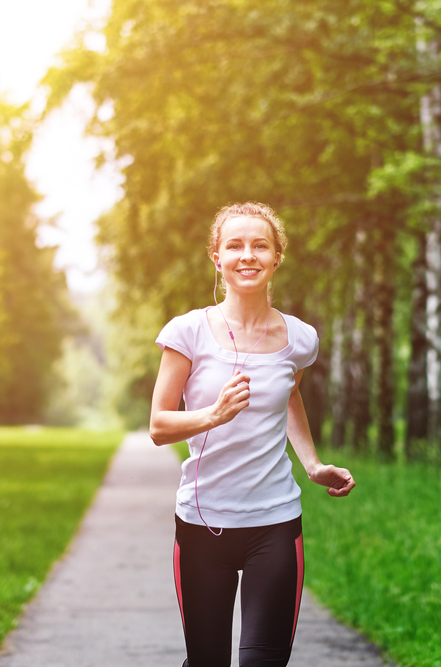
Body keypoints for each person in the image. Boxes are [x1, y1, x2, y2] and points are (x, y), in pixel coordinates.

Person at [149, 202, 356, 667]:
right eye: (235, 245)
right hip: (204, 525)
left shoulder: (299, 338)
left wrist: (313, 465)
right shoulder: (188, 332)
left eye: (260, 245)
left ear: (277, 257)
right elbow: (159, 426)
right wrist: (213, 415)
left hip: (275, 523)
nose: (248, 255)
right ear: (216, 258)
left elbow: (288, 396)